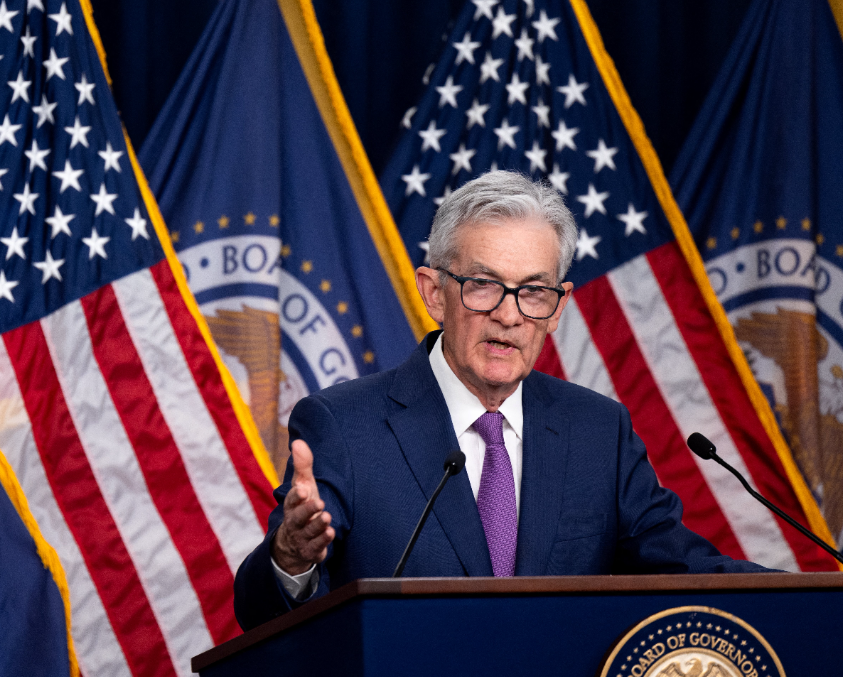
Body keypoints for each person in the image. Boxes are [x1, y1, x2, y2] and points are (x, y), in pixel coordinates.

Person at [233, 170, 770, 630]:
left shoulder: (597, 431)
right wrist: (291, 557)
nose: (510, 315)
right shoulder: (344, 427)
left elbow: (682, 568)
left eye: (534, 291)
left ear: (558, 308)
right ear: (434, 292)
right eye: (484, 285)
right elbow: (260, 615)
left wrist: (825, 593)